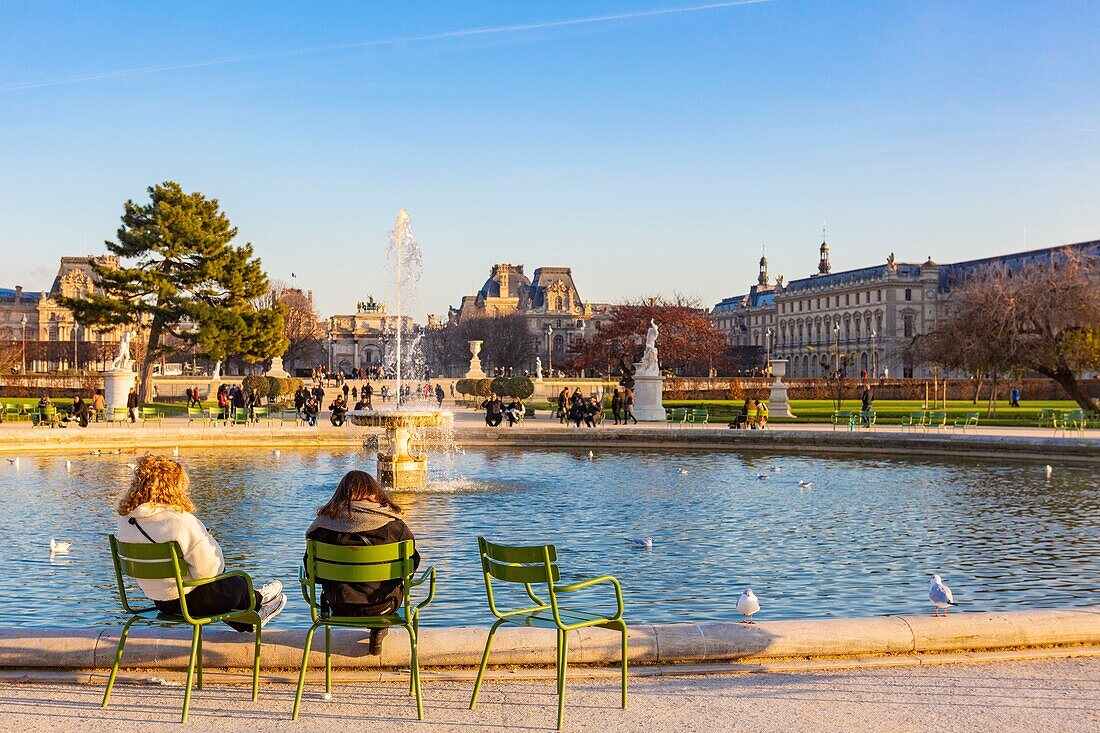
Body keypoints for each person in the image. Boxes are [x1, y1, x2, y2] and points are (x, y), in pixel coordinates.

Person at [116, 455, 286, 631]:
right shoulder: (180, 521)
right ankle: (257, 600)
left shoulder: (125, 522)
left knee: (224, 587)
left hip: (161, 602)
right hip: (191, 603)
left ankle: (253, 612)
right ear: (173, 487)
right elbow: (210, 570)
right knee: (238, 581)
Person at [306, 471, 420, 655]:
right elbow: (410, 567)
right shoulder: (394, 526)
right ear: (375, 492)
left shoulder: (321, 528)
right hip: (385, 605)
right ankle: (378, 627)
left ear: (340, 494)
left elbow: (313, 575)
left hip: (338, 605)